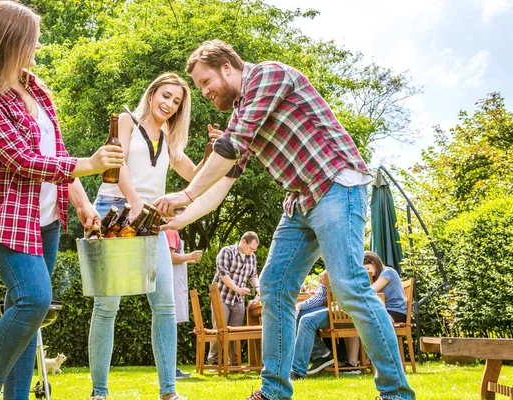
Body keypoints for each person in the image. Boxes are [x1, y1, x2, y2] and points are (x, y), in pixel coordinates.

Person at [155, 39, 416, 400]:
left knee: (350, 285)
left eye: (205, 82)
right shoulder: (241, 115)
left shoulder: (268, 76)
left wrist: (184, 194)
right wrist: (180, 220)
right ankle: (274, 391)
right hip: (300, 201)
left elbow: (228, 148)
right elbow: (222, 183)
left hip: (335, 183)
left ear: (227, 68)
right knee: (274, 287)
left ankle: (396, 393)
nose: (204, 92)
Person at [0, 2, 124, 399]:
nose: (38, 45)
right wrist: (92, 164)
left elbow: (56, 150)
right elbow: (22, 161)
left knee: (27, 318)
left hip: (47, 221)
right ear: (10, 40)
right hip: (8, 223)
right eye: (32, 38)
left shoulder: (34, 87)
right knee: (34, 301)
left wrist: (80, 201)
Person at [88, 72, 214, 400]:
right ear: (153, 92)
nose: (170, 104)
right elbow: (119, 164)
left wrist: (213, 151)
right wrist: (133, 202)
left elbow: (194, 176)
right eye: (166, 96)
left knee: (165, 305)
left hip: (151, 219)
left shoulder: (170, 139)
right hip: (115, 209)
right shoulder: (128, 120)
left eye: (177, 101)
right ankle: (99, 392)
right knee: (107, 305)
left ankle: (168, 392)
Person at [207, 231, 260, 365]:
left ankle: (234, 363)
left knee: (236, 332)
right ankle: (214, 362)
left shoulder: (252, 257)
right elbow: (223, 274)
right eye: (250, 248)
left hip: (238, 300)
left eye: (254, 249)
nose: (251, 251)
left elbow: (253, 276)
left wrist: (258, 289)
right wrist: (238, 289)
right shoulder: (226, 252)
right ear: (243, 242)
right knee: (219, 329)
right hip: (221, 296)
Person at [164, 229, 203, 379]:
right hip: (172, 284)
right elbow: (170, 256)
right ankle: (170, 370)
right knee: (169, 327)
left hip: (173, 283)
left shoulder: (170, 231)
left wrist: (188, 259)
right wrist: (189, 256)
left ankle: (170, 369)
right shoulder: (171, 231)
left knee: (170, 326)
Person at [290, 270, 335, 379]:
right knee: (296, 315)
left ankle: (297, 370)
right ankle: (322, 354)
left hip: (341, 311)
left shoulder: (341, 269)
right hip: (332, 309)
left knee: (306, 320)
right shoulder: (329, 270)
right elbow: (319, 298)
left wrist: (299, 306)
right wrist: (299, 307)